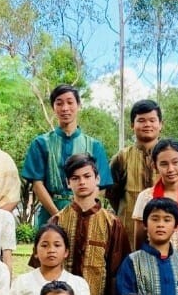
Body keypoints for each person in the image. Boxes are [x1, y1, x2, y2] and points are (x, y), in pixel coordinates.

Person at [48, 153, 129, 295]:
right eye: (75, 178)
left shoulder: (112, 223)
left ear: (97, 179)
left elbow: (118, 273)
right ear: (68, 183)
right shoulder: (57, 221)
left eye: (87, 176)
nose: (82, 182)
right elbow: (44, 269)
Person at [22, 84, 113, 227]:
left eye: (70, 102)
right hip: (49, 215)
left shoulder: (94, 146)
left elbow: (100, 186)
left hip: (86, 215)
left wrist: (84, 211)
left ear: (79, 105)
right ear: (53, 107)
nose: (65, 108)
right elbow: (37, 184)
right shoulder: (41, 143)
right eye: (59, 103)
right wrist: (59, 216)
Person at [8, 223, 93, 295]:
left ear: (66, 252)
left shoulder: (78, 284)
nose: (51, 250)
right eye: (44, 245)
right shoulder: (22, 282)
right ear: (35, 252)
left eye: (57, 245)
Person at [108, 99, 163, 248]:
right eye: (141, 120)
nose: (147, 125)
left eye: (152, 120)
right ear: (132, 125)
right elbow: (112, 194)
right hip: (128, 231)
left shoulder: (169, 157)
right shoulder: (122, 157)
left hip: (164, 230)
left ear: (160, 124)